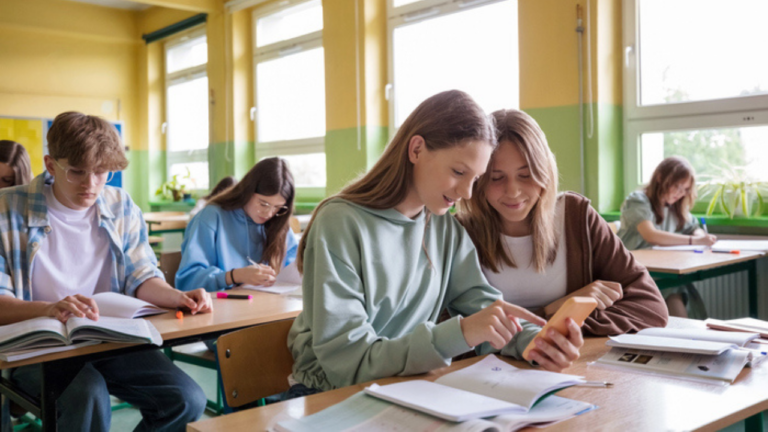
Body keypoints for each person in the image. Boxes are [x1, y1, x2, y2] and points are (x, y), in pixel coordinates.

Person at [287, 90, 582, 399]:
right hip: (326, 395)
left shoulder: (443, 228)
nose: (467, 193)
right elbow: (349, 363)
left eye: (476, 179)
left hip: (404, 389)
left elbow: (486, 310)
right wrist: (461, 333)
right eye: (458, 172)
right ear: (416, 149)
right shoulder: (340, 223)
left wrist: (538, 344)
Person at [0, 112, 211, 432]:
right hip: (38, 345)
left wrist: (176, 297)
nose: (90, 184)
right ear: (50, 164)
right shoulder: (6, 209)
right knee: (89, 395)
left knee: (186, 399)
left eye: (101, 173)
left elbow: (141, 275)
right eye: (77, 172)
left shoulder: (120, 204)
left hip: (108, 338)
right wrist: (50, 308)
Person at [456, 109, 668, 335]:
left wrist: (554, 328)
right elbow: (452, 335)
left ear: (544, 172)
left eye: (526, 175)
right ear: (479, 180)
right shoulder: (459, 233)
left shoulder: (576, 217)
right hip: (490, 371)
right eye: (496, 178)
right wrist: (558, 311)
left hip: (570, 366)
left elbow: (652, 309)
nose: (513, 191)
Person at [176, 158, 297, 293]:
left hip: (268, 307)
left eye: (278, 207)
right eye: (263, 204)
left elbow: (295, 272)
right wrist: (235, 276)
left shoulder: (279, 223)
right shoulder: (211, 218)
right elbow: (187, 282)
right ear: (248, 191)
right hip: (220, 309)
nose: (269, 213)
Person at [616, 156, 716, 318]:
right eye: (677, 186)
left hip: (662, 273)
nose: (680, 193)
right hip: (634, 273)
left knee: (677, 294)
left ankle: (684, 338)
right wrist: (695, 241)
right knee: (672, 292)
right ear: (661, 178)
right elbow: (651, 235)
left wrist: (701, 236)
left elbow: (693, 227)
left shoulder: (675, 207)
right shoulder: (638, 200)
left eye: (685, 189)